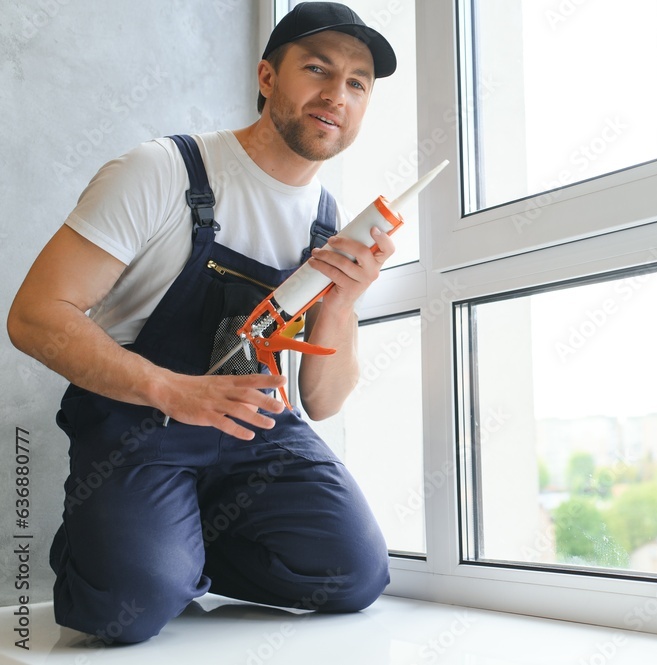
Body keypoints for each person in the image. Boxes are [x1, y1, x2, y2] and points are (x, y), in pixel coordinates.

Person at [6, 2, 397, 644]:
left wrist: (341, 302)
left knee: (353, 575)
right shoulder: (164, 171)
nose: (336, 94)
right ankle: (126, 561)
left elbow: (321, 403)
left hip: (252, 427)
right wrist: (172, 389)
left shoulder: (330, 224)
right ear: (268, 76)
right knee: (120, 610)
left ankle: (175, 553)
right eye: (317, 69)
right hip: (142, 419)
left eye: (357, 83)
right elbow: (33, 316)